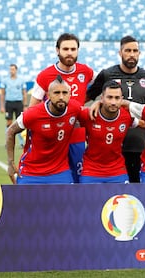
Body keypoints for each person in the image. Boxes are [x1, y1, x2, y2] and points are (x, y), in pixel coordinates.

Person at [86, 35, 145, 183]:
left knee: (137, 190)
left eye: (135, 50)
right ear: (120, 52)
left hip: (139, 144)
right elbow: (87, 97)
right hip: (111, 147)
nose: (131, 54)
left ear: (139, 53)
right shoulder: (107, 74)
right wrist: (97, 103)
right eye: (127, 50)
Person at [29, 33, 94, 183]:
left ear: (78, 50)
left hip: (77, 136)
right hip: (52, 139)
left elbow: (103, 86)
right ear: (57, 50)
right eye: (65, 49)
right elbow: (32, 108)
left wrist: (91, 100)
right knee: (52, 180)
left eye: (73, 49)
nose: (70, 52)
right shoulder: (45, 75)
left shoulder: (86, 71)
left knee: (78, 180)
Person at [6, 75, 81, 184]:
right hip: (31, 171)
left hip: (60, 172)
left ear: (70, 94)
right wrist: (10, 162)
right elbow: (11, 131)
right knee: (24, 201)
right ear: (48, 95)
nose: (61, 97)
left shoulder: (75, 108)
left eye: (65, 93)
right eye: (56, 93)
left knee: (66, 200)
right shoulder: (33, 114)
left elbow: (92, 119)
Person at [78, 81, 137, 184]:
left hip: (117, 171)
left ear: (122, 99)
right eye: (109, 97)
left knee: (122, 199)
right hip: (91, 170)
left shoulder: (127, 116)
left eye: (117, 98)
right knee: (88, 199)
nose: (113, 102)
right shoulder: (88, 115)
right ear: (102, 98)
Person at [0, 64, 28, 148]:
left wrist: (25, 105)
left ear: (16, 70)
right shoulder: (5, 81)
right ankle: (8, 142)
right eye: (10, 69)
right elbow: (2, 94)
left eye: (13, 69)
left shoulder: (21, 80)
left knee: (19, 123)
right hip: (9, 103)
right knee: (9, 123)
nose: (11, 71)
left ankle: (22, 142)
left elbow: (24, 94)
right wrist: (2, 106)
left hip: (18, 103)